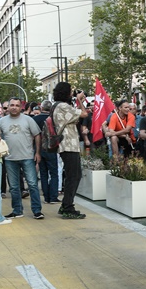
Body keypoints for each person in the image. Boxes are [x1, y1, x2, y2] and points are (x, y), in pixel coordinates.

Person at [0, 98, 43, 220]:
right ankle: (17, 210)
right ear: (7, 107)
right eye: (11, 105)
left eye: (17, 105)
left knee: (33, 185)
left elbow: (37, 135)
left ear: (21, 107)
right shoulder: (1, 121)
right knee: (13, 187)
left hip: (27, 157)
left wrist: (37, 152)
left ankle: (37, 210)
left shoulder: (28, 120)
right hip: (9, 158)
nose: (14, 107)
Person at [52, 82, 89, 219]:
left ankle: (67, 204)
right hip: (68, 144)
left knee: (74, 175)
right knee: (74, 176)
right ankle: (68, 206)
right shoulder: (62, 106)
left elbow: (76, 115)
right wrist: (79, 99)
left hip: (67, 145)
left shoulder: (58, 106)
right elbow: (84, 113)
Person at [32, 101, 60, 204]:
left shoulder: (34, 119)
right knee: (54, 173)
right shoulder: (53, 119)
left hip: (39, 149)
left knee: (43, 173)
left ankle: (46, 197)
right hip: (51, 148)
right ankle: (53, 197)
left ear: (41, 107)